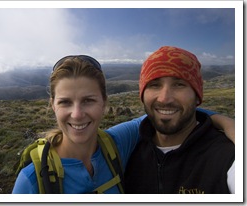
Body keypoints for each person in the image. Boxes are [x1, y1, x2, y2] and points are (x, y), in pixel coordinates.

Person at [12, 54, 235, 194]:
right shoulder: (33, 181)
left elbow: (166, 114)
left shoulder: (117, 143)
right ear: (52, 105)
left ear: (104, 103)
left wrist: (228, 124)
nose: (77, 114)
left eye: (89, 100)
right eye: (65, 102)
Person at [123, 46, 235, 194]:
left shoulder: (228, 155)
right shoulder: (127, 153)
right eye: (154, 85)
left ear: (197, 96)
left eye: (179, 84)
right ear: (142, 95)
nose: (164, 98)